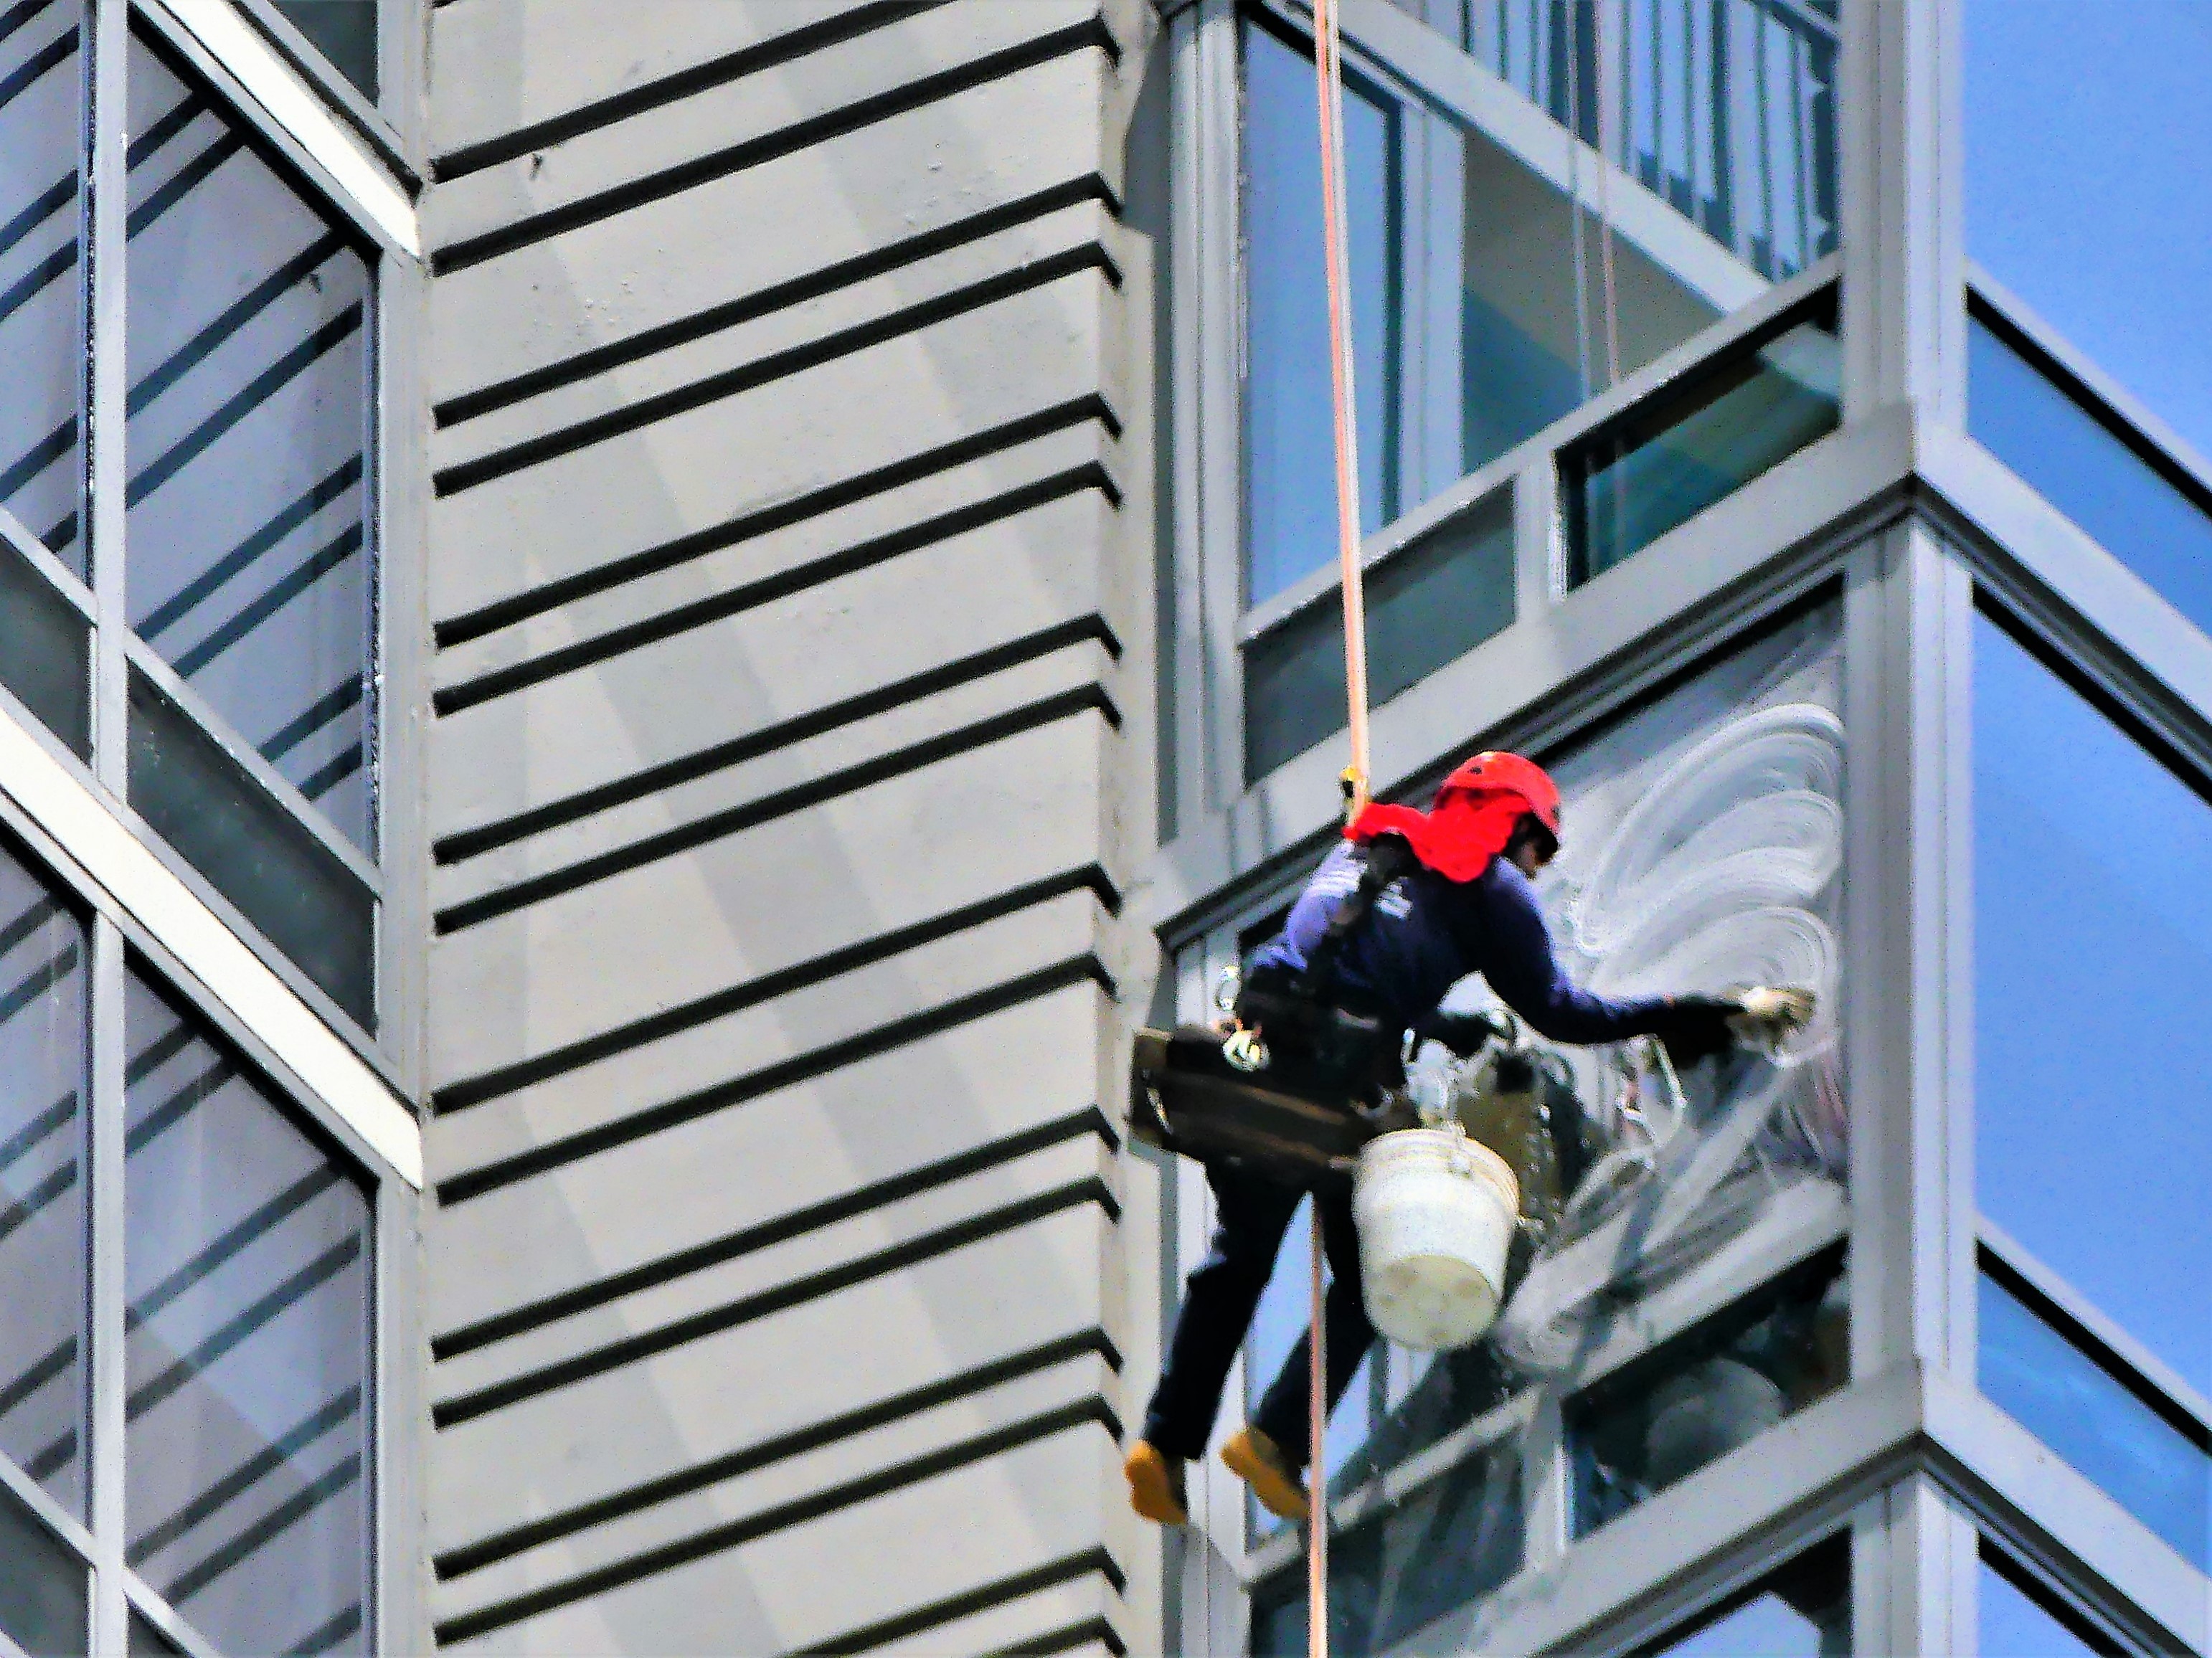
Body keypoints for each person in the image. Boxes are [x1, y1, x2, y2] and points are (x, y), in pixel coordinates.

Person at [1122, 752, 1764, 1527]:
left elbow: (1343, 969)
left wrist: (1444, 1024)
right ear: (1513, 821)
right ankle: (1276, 1440)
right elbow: (1565, 1013)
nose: (1540, 865)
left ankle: (1161, 1447)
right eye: (1542, 845)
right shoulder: (1491, 889)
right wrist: (1697, 1009)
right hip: (1332, 1091)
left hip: (1254, 1064)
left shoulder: (1370, 844)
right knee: (1373, 1278)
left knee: (1238, 1264)